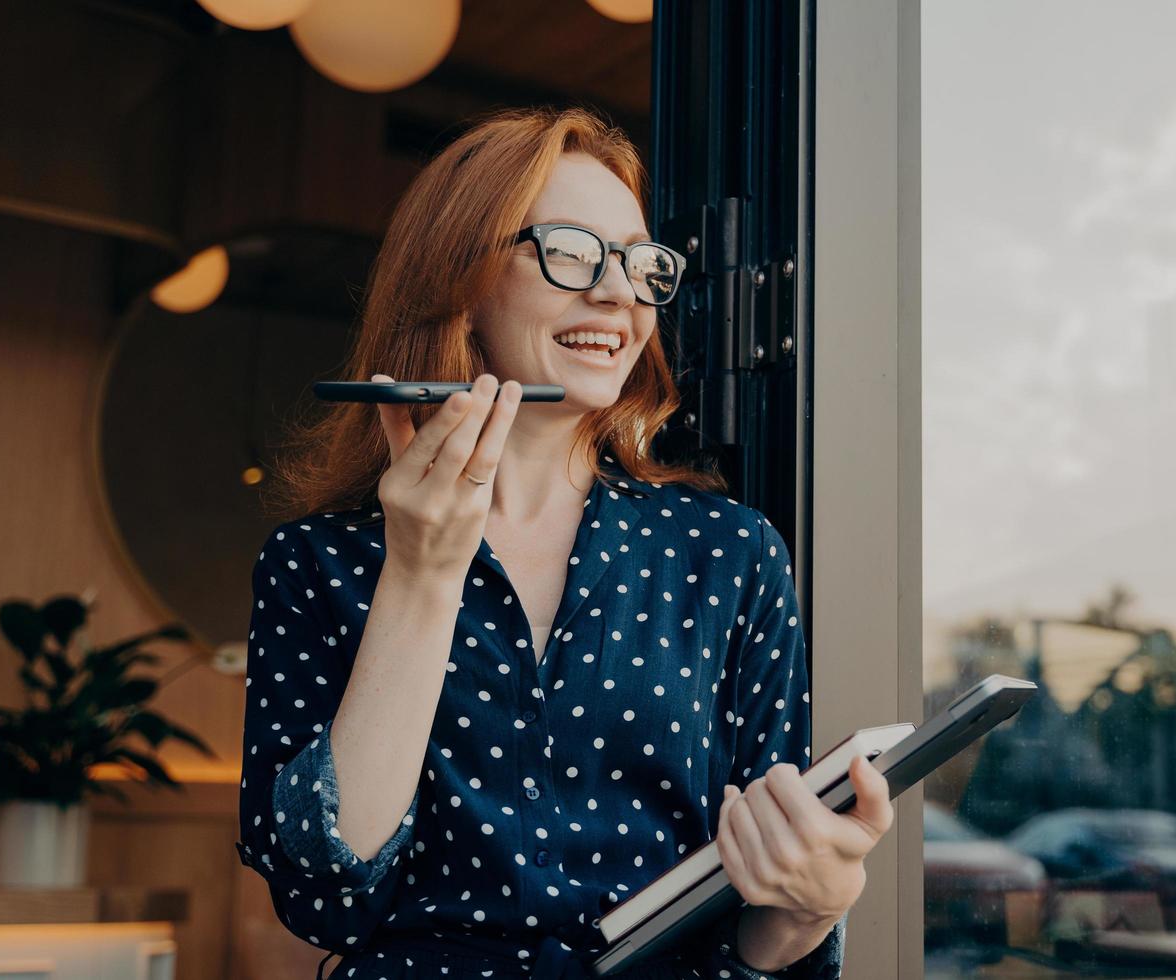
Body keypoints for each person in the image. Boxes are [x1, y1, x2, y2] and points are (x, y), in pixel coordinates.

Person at [234, 105, 891, 980]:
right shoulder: (317, 563)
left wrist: (807, 910)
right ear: (460, 279)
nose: (619, 293)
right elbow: (329, 893)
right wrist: (422, 578)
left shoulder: (729, 553)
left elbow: (752, 932)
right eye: (572, 252)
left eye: (640, 264)